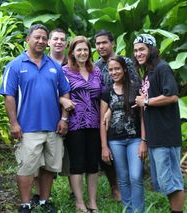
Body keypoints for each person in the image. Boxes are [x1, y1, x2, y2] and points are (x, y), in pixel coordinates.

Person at [0, 24, 71, 213]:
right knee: (26, 168)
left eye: (43, 38)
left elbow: (65, 92)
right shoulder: (15, 65)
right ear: (27, 39)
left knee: (49, 167)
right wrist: (14, 124)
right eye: (36, 37)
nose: (40, 41)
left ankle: (44, 201)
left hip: (53, 127)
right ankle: (25, 203)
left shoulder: (54, 66)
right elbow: (9, 96)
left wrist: (64, 119)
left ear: (47, 42)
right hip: (27, 127)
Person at [133, 34, 185, 213]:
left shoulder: (163, 68)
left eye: (142, 49)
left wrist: (146, 101)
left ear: (151, 50)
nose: (138, 53)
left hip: (166, 136)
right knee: (164, 183)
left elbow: (172, 96)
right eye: (136, 50)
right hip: (155, 137)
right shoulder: (148, 73)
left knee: (172, 181)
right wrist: (145, 140)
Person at [94, 29, 140, 201]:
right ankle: (115, 186)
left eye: (104, 42)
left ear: (112, 43)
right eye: (98, 43)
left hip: (127, 116)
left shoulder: (125, 62)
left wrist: (112, 108)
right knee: (106, 155)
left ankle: (129, 188)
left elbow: (135, 86)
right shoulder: (96, 67)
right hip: (104, 118)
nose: (101, 46)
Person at [32, 28, 75, 202]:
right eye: (55, 39)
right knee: (37, 159)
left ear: (66, 44)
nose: (58, 42)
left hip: (68, 119)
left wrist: (65, 110)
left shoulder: (71, 63)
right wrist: (61, 99)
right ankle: (40, 195)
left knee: (67, 158)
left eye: (62, 39)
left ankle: (74, 192)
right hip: (41, 118)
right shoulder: (39, 62)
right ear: (49, 42)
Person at [100, 55, 147, 213]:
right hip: (115, 141)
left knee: (135, 177)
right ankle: (128, 210)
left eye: (117, 68)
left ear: (124, 69)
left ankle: (138, 210)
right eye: (111, 69)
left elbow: (143, 117)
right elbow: (102, 121)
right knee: (123, 178)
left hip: (135, 139)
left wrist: (143, 141)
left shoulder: (136, 87)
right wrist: (104, 147)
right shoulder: (107, 92)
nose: (114, 72)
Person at [63, 36, 103, 213]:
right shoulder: (64, 71)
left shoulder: (96, 71)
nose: (82, 53)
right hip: (75, 124)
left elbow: (104, 96)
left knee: (93, 165)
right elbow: (56, 93)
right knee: (77, 163)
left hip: (94, 123)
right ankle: (80, 202)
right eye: (79, 50)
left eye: (85, 49)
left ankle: (92, 201)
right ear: (72, 52)